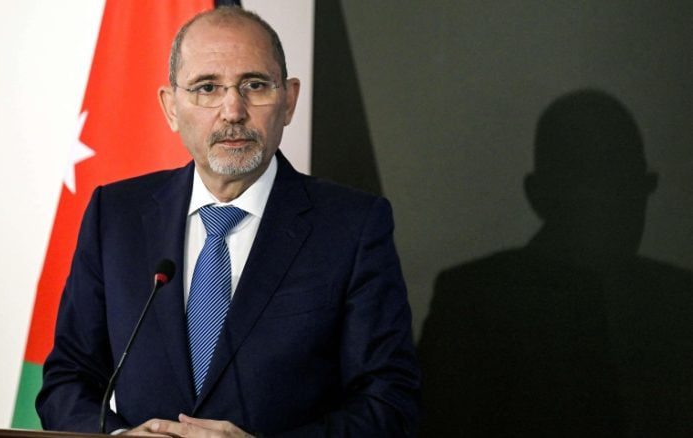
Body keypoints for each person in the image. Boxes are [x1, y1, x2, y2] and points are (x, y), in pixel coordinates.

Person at [36, 7, 420, 437]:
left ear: (289, 100)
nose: (233, 110)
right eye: (207, 88)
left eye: (255, 85)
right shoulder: (115, 216)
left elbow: (389, 402)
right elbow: (67, 380)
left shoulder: (353, 226)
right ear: (171, 107)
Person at [418, 89, 693, 436]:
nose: (611, 203)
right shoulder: (472, 304)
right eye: (589, 182)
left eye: (623, 184)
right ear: (539, 194)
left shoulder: (472, 301)